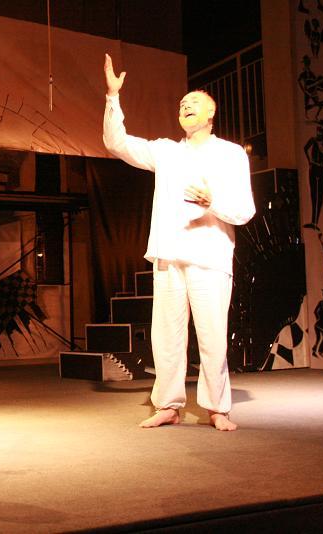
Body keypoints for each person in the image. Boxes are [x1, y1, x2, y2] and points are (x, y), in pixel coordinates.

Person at [101, 54, 256, 431]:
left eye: (194, 102)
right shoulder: (166, 151)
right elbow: (116, 143)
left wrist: (212, 202)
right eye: (182, 103)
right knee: (166, 336)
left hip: (208, 255)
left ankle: (217, 408)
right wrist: (112, 96)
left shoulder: (230, 154)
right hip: (169, 255)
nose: (185, 105)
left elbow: (244, 210)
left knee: (212, 336)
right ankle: (168, 404)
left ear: (211, 113)